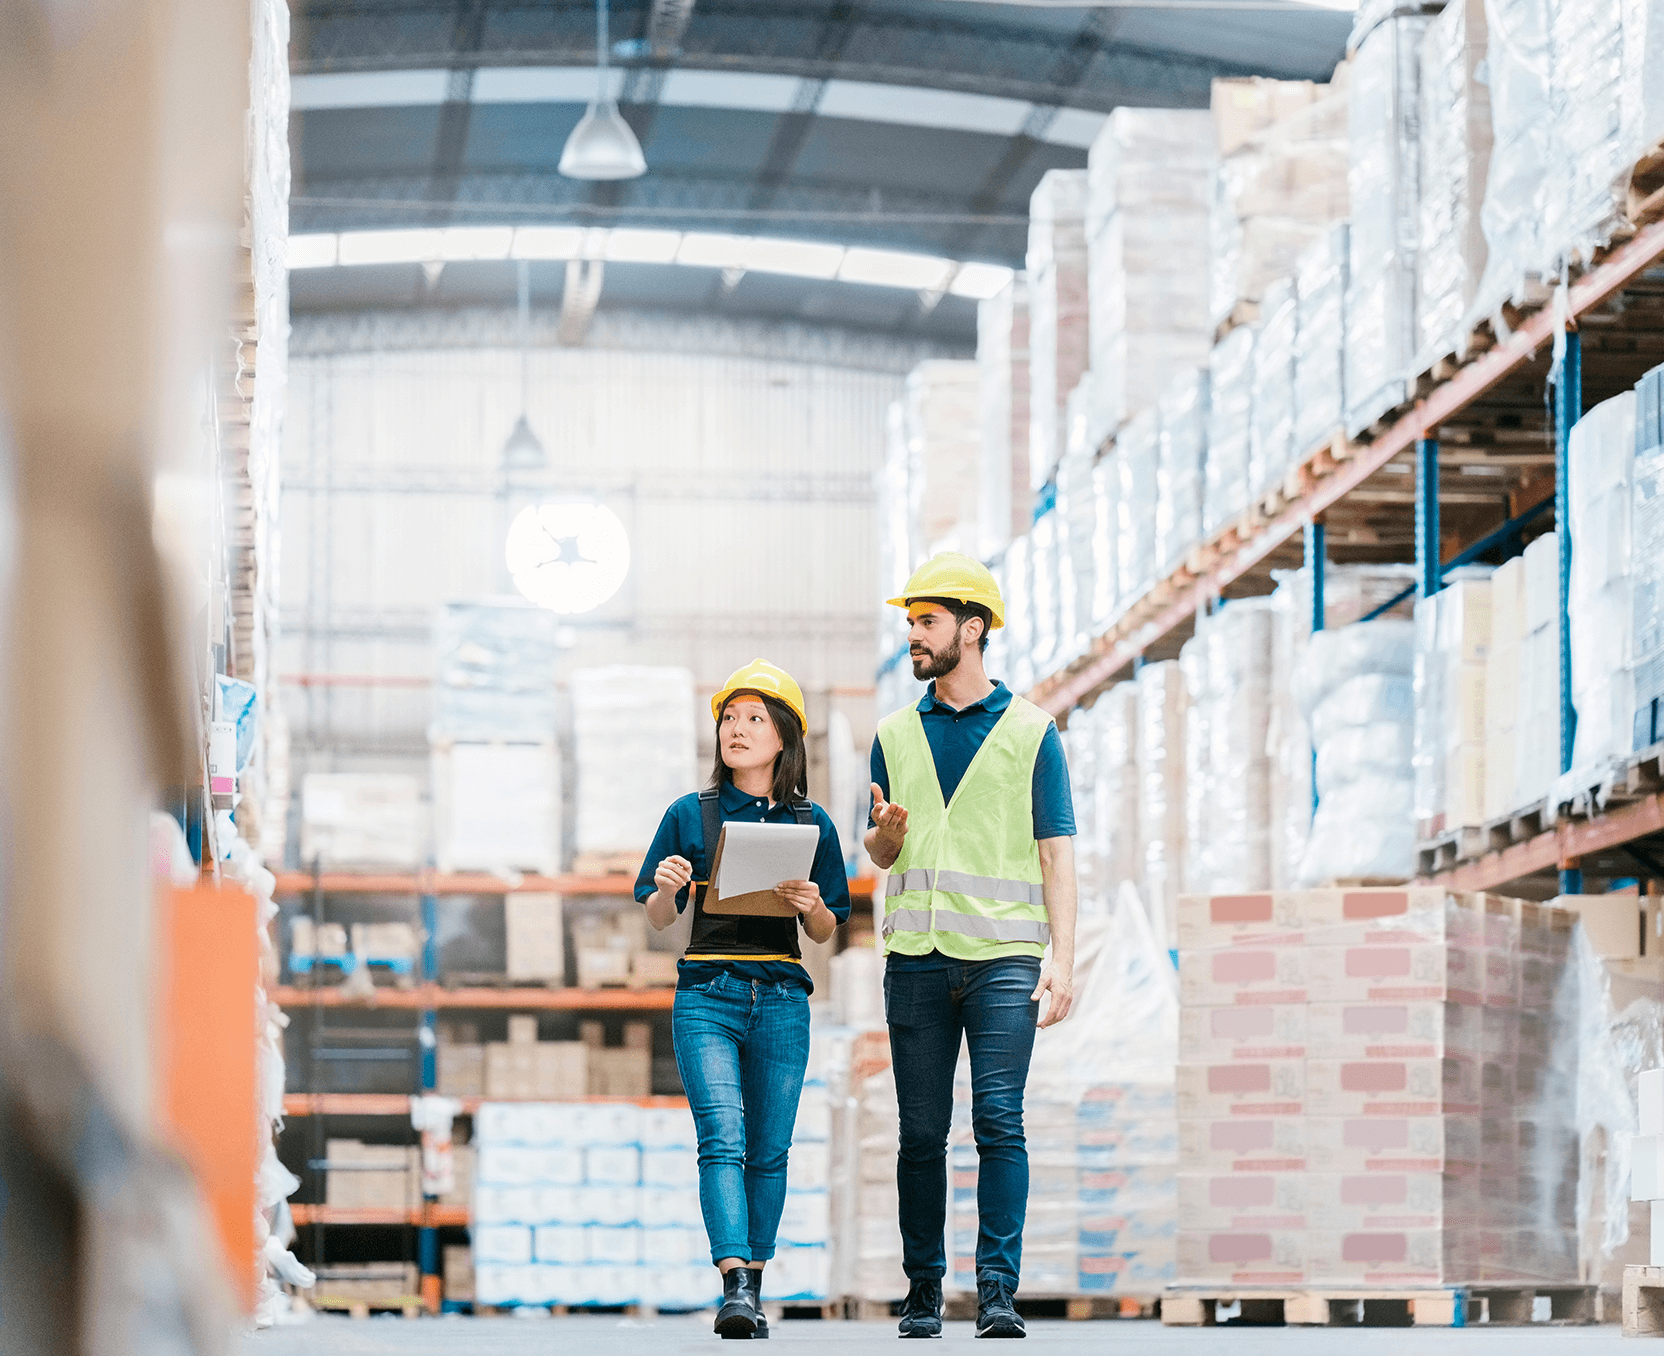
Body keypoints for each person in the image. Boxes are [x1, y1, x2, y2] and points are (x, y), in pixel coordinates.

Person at [865, 553, 1077, 1340]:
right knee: (920, 1133)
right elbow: (882, 856)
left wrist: (1063, 959)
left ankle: (996, 1290)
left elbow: (1057, 854)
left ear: (973, 627)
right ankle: (924, 1289)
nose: (913, 637)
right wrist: (883, 841)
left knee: (999, 1120)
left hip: (1005, 960)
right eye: (910, 623)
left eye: (926, 622)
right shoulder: (892, 733)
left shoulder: (1031, 733)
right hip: (917, 957)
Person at [637, 659, 850, 1339]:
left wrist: (812, 904)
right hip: (708, 995)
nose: (738, 728)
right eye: (730, 717)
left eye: (755, 718)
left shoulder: (810, 823)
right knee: (722, 1139)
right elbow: (658, 918)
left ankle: (754, 1286)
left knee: (769, 1150)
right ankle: (732, 1285)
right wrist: (669, 887)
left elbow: (826, 928)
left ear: (784, 736)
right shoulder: (688, 815)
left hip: (783, 999)